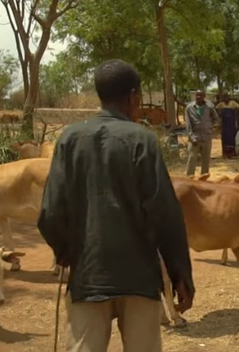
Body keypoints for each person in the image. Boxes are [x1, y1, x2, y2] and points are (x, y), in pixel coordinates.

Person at [37, 59, 195, 352]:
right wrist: (180, 274)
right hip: (139, 278)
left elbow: (50, 213)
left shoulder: (69, 139)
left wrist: (66, 252)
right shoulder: (142, 140)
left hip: (88, 276)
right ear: (133, 96)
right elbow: (165, 214)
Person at [185, 90, 219, 176]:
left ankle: (204, 178)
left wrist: (211, 128)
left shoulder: (209, 107)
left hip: (206, 137)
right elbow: (188, 125)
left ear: (204, 96)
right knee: (192, 157)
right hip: (195, 137)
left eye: (200, 95)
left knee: (206, 159)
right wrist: (192, 137)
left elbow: (216, 119)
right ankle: (190, 177)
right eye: (197, 95)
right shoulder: (189, 108)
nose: (198, 97)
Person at [216, 92, 239, 159]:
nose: (226, 98)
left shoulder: (233, 103)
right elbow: (216, 109)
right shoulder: (221, 104)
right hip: (225, 123)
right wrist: (220, 114)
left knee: (232, 137)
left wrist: (235, 114)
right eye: (225, 97)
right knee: (225, 137)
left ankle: (232, 153)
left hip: (231, 123)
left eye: (227, 97)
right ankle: (225, 154)